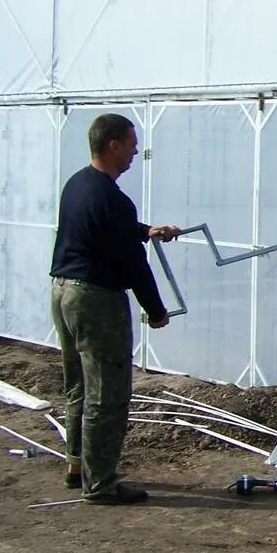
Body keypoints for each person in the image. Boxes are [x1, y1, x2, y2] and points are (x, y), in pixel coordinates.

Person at [49, 114, 181, 504]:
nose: (136, 151)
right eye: (131, 143)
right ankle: (101, 483)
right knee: (107, 393)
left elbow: (106, 228)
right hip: (95, 300)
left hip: (63, 292)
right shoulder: (112, 197)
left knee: (79, 385)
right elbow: (133, 265)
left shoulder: (79, 184)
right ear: (113, 146)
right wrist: (156, 310)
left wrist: (146, 230)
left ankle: (77, 466)